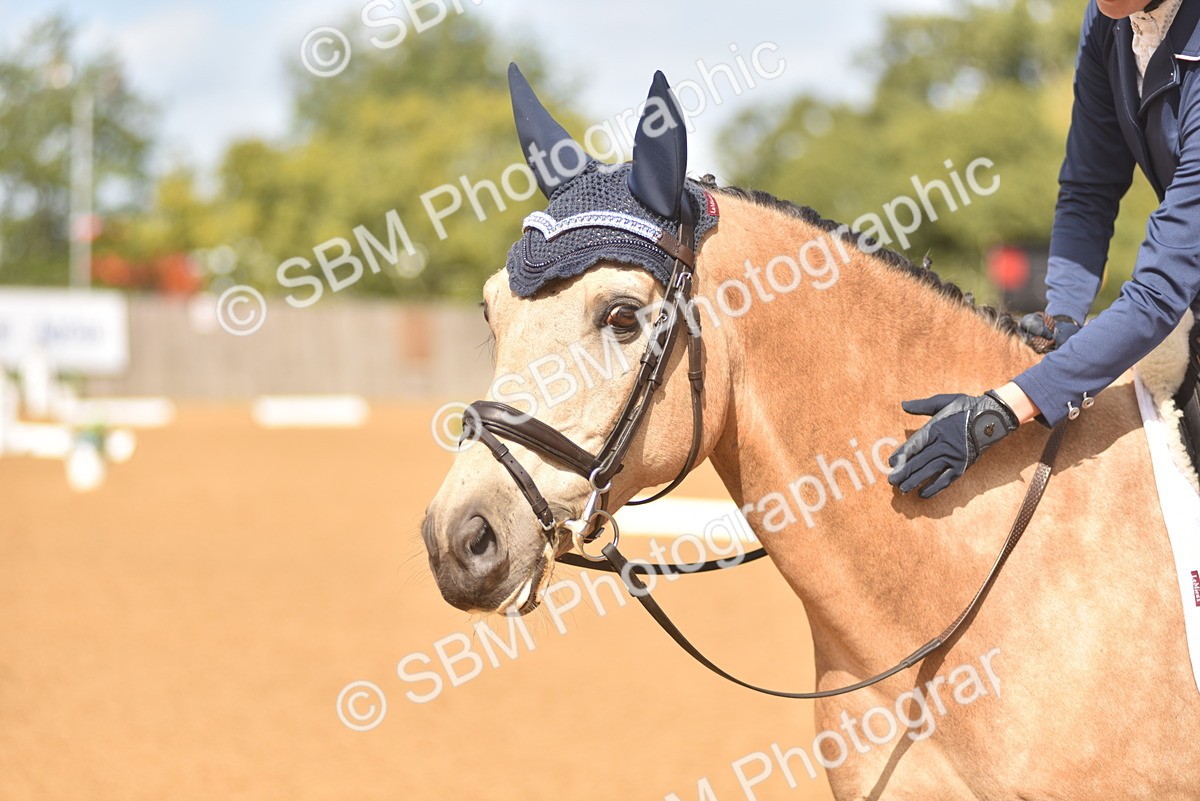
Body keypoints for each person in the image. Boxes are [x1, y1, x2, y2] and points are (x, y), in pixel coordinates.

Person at [888, 0, 1200, 499]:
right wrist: (1065, 319)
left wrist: (996, 413)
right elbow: (1089, 187)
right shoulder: (1109, 20)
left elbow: (1160, 290)